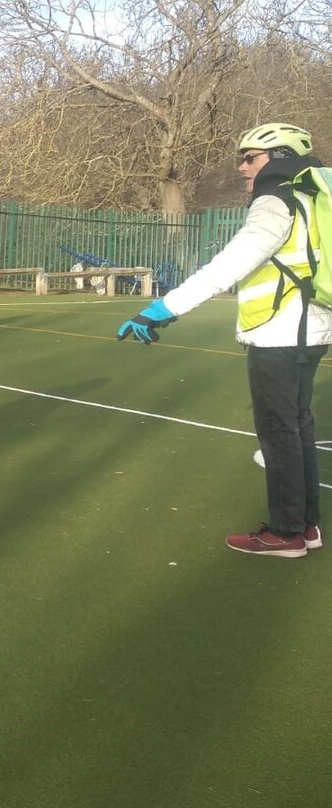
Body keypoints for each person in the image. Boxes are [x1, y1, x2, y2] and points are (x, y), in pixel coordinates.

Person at [117, 122, 329, 558]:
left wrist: (163, 309)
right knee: (298, 425)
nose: (241, 166)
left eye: (250, 157)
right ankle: (306, 526)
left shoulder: (276, 200)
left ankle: (287, 532)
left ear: (280, 158)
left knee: (279, 431)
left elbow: (229, 264)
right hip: (312, 329)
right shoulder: (312, 199)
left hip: (280, 331)